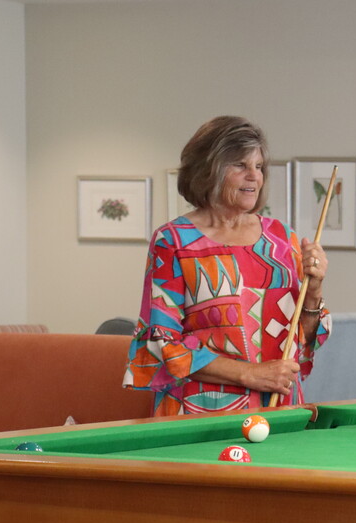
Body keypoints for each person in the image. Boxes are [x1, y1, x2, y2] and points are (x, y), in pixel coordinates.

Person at [124, 116, 331, 415]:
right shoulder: (174, 241)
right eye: (240, 165)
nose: (254, 176)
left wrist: (315, 290)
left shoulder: (283, 239)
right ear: (208, 170)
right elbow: (161, 343)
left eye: (259, 166)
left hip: (279, 410)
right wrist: (250, 374)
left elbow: (303, 340)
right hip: (200, 412)